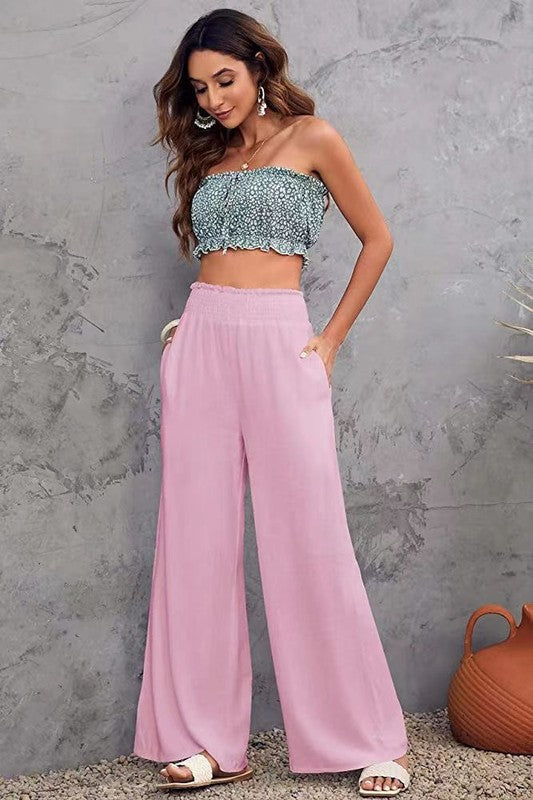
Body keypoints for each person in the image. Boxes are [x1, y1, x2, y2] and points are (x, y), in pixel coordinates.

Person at [133, 8, 412, 797]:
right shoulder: (210, 156)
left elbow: (378, 239)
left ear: (258, 67)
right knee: (194, 543)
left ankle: (369, 739)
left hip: (279, 340)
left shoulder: (312, 138)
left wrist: (329, 341)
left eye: (224, 79)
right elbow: (216, 262)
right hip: (202, 342)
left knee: (308, 539)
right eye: (199, 88)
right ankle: (206, 742)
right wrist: (190, 335)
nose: (213, 98)